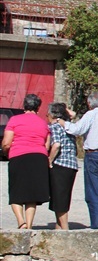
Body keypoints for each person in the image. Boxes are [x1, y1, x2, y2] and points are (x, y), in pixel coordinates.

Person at [59, 92, 98, 229]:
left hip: (94, 154)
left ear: (89, 103)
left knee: (94, 191)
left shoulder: (91, 115)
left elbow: (77, 129)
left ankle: (97, 223)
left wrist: (64, 123)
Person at [2, 94, 50, 229]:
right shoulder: (43, 123)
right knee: (32, 194)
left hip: (19, 156)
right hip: (38, 158)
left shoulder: (14, 120)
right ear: (38, 107)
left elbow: (6, 142)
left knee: (16, 191)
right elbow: (46, 145)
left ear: (24, 106)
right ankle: (29, 225)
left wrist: (7, 153)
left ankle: (21, 222)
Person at [47, 103, 78, 230]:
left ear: (52, 115)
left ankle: (64, 228)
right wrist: (64, 113)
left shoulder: (55, 126)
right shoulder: (69, 125)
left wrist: (49, 160)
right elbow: (73, 114)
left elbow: (56, 145)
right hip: (72, 165)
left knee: (59, 197)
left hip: (60, 164)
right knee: (64, 196)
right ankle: (58, 227)